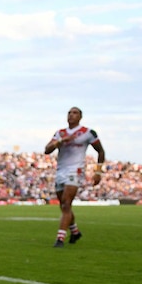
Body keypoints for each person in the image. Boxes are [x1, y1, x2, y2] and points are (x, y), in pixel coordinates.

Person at [44, 106, 105, 247]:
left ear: (80, 117)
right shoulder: (60, 133)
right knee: (64, 205)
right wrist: (61, 141)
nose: (71, 115)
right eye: (69, 113)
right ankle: (75, 231)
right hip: (60, 171)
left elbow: (100, 151)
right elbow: (47, 150)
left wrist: (98, 171)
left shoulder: (87, 133)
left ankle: (60, 238)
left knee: (66, 203)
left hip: (75, 170)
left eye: (75, 113)